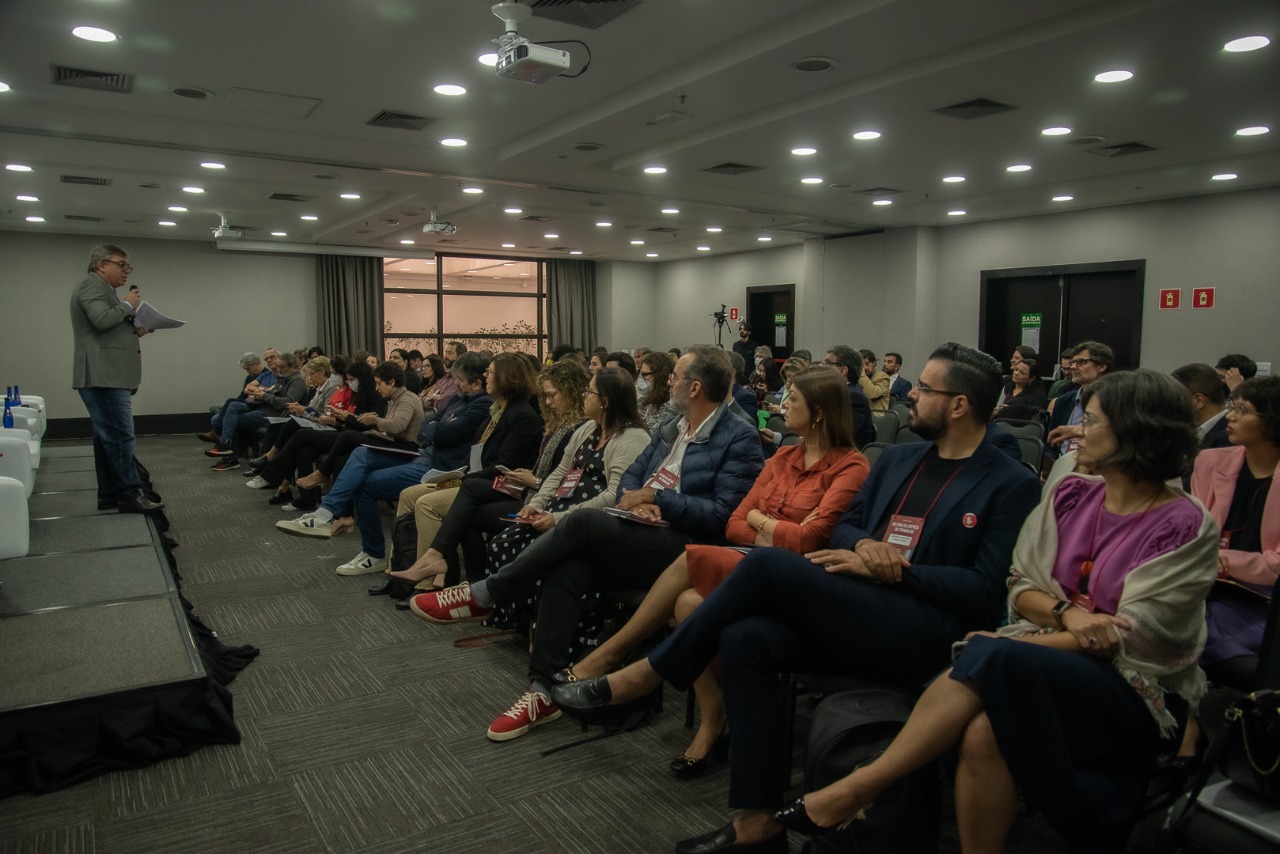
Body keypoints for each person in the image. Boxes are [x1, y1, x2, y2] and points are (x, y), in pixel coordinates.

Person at [551, 343, 1042, 854]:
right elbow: (848, 528)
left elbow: (986, 591)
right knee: (746, 638)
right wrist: (865, 546)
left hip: (928, 632)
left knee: (762, 564)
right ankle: (756, 824)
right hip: (862, 603)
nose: (912, 395)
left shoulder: (1008, 484)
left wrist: (898, 569)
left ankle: (649, 670)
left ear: (959, 405)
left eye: (925, 388)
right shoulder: (901, 460)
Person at [771, 369, 1216, 854]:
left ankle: (863, 785)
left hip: (1133, 685)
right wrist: (1068, 615)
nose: (1076, 431)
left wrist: (1027, 636)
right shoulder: (1071, 491)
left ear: (1136, 432)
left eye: (1090, 421)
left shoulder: (1186, 522)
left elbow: (1136, 637)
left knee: (989, 651)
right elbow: (1020, 587)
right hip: (1042, 652)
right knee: (985, 730)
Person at [412, 346, 764, 742]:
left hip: (686, 547)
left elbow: (721, 516)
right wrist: (638, 498)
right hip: (642, 528)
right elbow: (631, 476)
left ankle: (489, 593)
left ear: (696, 387)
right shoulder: (673, 427)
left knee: (581, 521)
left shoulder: (740, 436)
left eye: (675, 378)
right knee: (568, 568)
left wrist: (658, 500)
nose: (668, 383)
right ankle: (543, 690)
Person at [562, 367, 870, 777]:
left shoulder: (851, 467)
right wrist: (772, 526)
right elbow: (736, 523)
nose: (781, 404)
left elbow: (809, 541)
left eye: (792, 399)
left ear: (819, 412)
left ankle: (619, 658)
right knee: (687, 602)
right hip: (747, 558)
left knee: (694, 557)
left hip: (796, 578)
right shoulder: (783, 456)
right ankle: (714, 720)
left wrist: (763, 522)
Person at [382, 358, 587, 591]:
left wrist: (462, 479)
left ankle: (433, 579)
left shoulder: (525, 416)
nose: (486, 376)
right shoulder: (498, 411)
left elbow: (512, 466)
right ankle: (436, 576)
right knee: (413, 495)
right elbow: (433, 428)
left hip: (524, 491)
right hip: (510, 484)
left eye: (490, 372)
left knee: (440, 503)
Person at [1193, 376, 1280, 680]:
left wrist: (1218, 561)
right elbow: (1193, 532)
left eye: (1242, 409)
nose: (1230, 415)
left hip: (1264, 601)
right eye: (1232, 406)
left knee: (1187, 636)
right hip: (1205, 588)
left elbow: (1276, 566)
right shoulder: (1210, 462)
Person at [70, 243, 163, 513]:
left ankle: (109, 493)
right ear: (102, 264)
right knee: (121, 436)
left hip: (107, 375)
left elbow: (105, 328)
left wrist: (134, 330)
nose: (126, 271)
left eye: (127, 267)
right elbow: (100, 320)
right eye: (121, 265)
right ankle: (129, 495)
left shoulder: (104, 290)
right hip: (103, 376)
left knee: (105, 437)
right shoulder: (91, 286)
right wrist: (127, 304)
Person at [1046, 341, 1114, 458]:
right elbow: (1050, 441)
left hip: (1099, 465)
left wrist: (1078, 430)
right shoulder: (1064, 401)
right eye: (1073, 362)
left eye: (1082, 362)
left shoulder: (1115, 400)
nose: (1073, 367)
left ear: (1102, 366)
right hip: (1063, 465)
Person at [820, 345, 876, 449]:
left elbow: (841, 435)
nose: (821, 366)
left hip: (845, 457)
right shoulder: (835, 393)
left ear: (843, 370)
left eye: (827, 363)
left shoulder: (854, 397)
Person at [1172, 362, 1232, 451]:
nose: (1172, 407)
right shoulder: (1202, 430)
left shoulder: (1228, 437)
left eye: (1176, 400)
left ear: (1199, 401)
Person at [639, 350, 679, 431]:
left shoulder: (675, 405)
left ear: (660, 374)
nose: (643, 378)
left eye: (645, 374)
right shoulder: (646, 400)